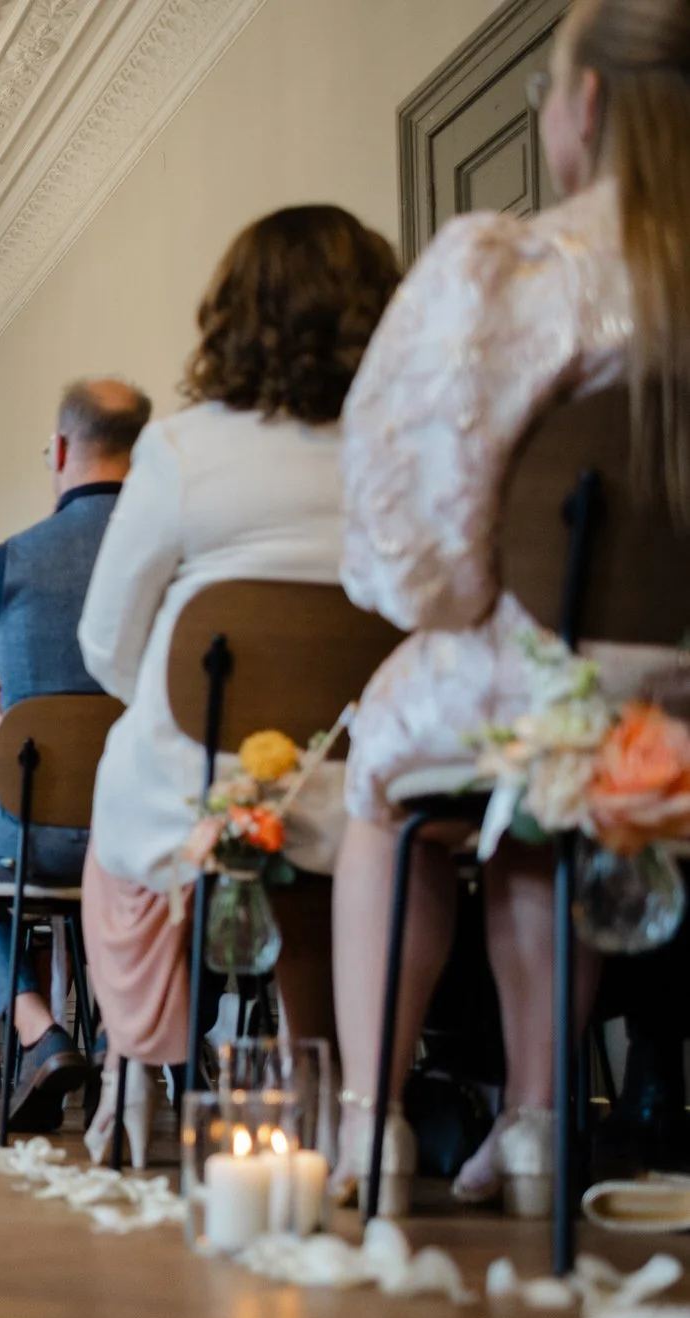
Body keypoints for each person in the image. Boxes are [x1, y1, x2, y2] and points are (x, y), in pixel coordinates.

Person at [331, 0, 690, 1206]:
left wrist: (472, 596)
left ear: (584, 103)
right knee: (559, 768)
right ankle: (537, 1126)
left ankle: (368, 1125)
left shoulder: (516, 269)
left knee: (390, 770)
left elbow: (413, 557)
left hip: (550, 675)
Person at [75, 205, 402, 1164]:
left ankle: (133, 1073)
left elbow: (107, 639)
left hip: (203, 773)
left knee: (121, 824)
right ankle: (346, 1096)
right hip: (362, 772)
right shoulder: (404, 442)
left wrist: (182, 710)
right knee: (311, 824)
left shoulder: (181, 448)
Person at [0, 376, 153, 1131]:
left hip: (38, 830)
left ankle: (36, 1027)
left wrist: (3, 718)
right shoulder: (173, 551)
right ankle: (138, 1047)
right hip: (154, 822)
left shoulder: (5, 565)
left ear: (58, 450)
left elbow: (21, 689)